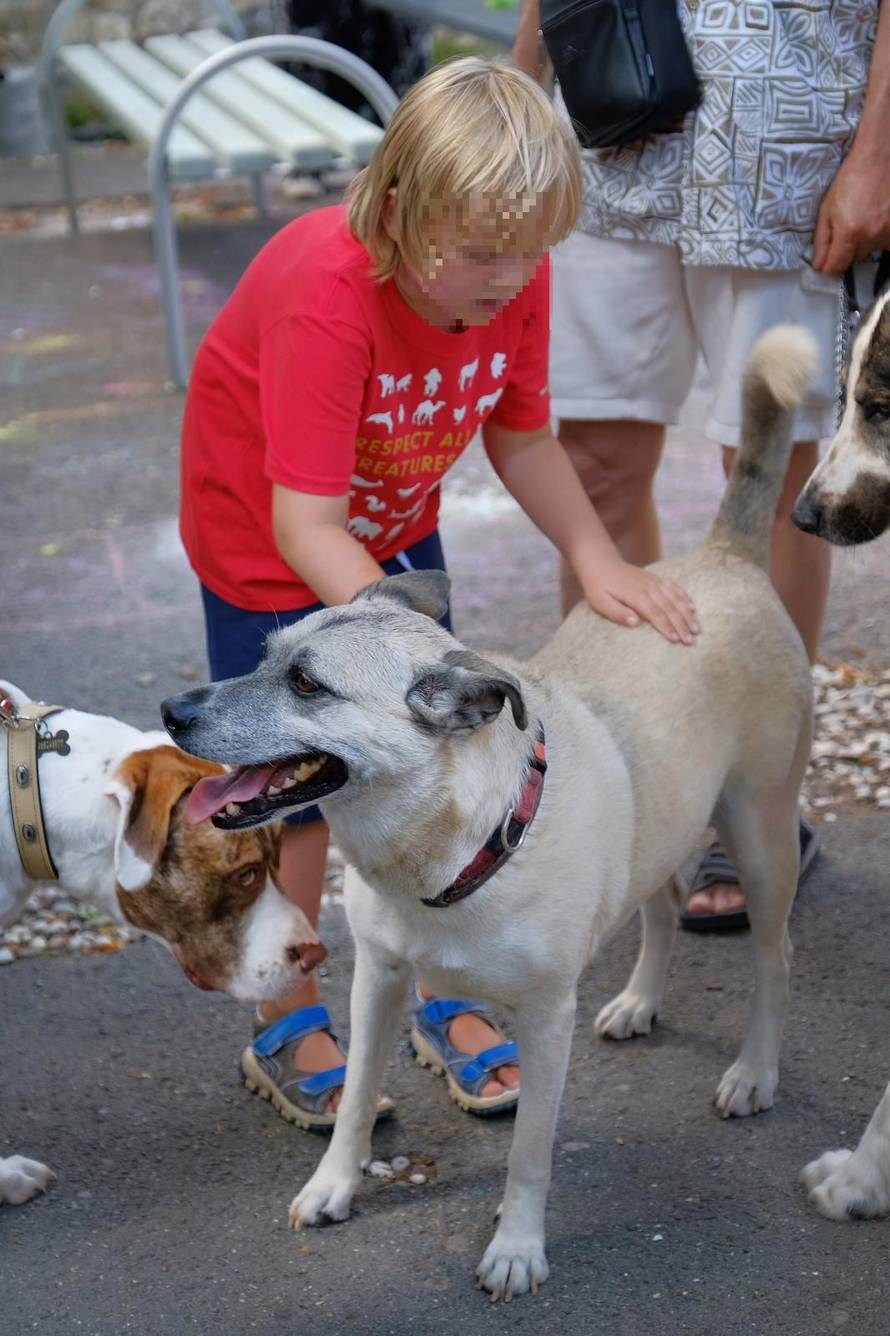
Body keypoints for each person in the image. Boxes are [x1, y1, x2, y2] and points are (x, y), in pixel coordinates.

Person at [179, 57, 699, 1130]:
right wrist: (396, 654)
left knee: (412, 770)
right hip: (270, 540)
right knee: (294, 796)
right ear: (402, 208)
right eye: (482, 251)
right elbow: (302, 525)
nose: (511, 275)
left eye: (530, 248)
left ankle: (434, 990)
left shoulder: (509, 273)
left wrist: (598, 557)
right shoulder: (330, 293)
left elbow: (519, 433)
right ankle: (288, 1009)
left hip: (383, 533)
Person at [514, 0, 890, 929]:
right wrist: (518, 92)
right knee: (594, 464)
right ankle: (617, 778)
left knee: (766, 470)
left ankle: (760, 794)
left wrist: (878, 156)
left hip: (787, 139)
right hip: (609, 129)